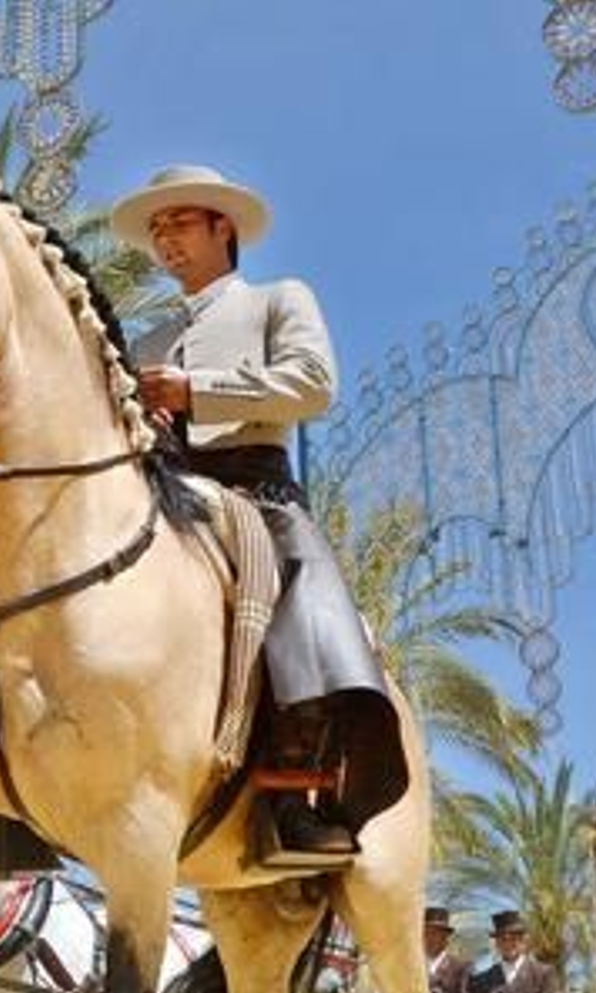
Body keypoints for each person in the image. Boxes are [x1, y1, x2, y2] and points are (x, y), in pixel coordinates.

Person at [110, 163, 409, 860]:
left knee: (304, 593)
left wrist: (195, 392)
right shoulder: (142, 340)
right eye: (156, 229)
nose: (165, 240)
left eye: (178, 222)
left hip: (255, 488)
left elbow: (313, 383)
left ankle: (294, 792)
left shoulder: (279, 299)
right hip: (161, 491)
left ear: (225, 227)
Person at [423, 905, 467, 993]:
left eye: (435, 933)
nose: (430, 938)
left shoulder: (461, 967)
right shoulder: (410, 968)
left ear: (446, 937)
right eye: (427, 932)